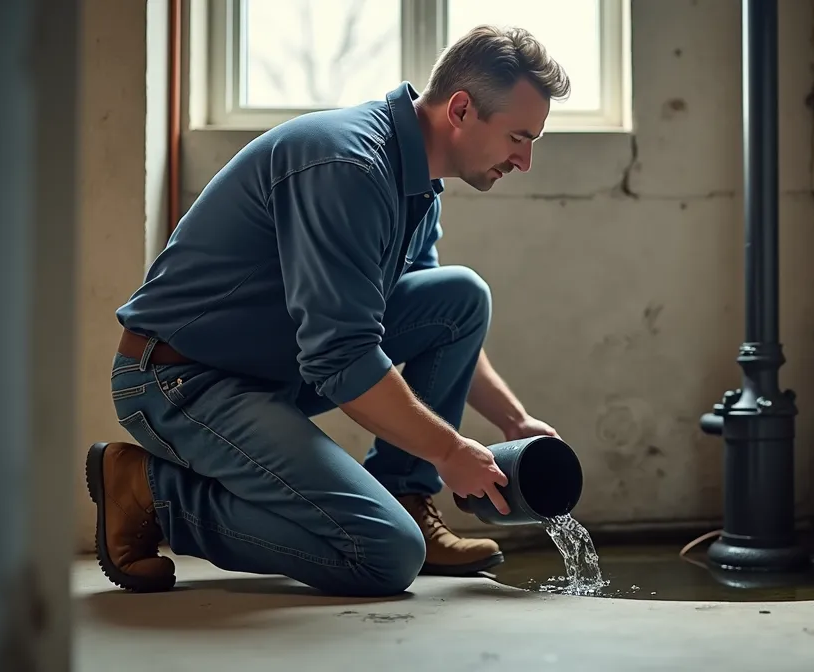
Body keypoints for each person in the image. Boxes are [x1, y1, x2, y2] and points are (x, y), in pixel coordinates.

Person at [87, 25, 571, 597]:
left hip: (274, 372)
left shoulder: (416, 183)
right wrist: (448, 450)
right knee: (385, 555)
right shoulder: (349, 167)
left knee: (460, 296)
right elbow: (343, 357)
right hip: (181, 379)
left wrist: (512, 423)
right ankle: (155, 494)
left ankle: (405, 495)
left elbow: (428, 318)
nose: (526, 160)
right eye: (519, 137)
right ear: (461, 109)